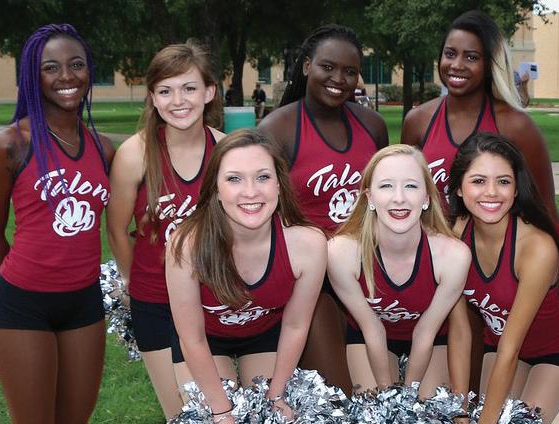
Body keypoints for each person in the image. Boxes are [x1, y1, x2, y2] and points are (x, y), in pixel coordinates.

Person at [0, 24, 114, 422]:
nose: (66, 76)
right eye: (51, 68)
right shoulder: (9, 144)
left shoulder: (104, 148)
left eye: (77, 65)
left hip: (84, 303)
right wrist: (26, 284)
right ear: (32, 77)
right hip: (22, 304)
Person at [258, 24, 388, 394]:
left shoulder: (373, 126)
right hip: (312, 279)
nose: (338, 79)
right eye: (327, 67)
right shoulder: (277, 129)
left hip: (367, 270)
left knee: (377, 392)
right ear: (306, 66)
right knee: (337, 394)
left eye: (350, 71)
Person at [166, 129, 327, 423]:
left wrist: (277, 396)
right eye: (234, 179)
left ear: (279, 184)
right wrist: (220, 411)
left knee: (267, 416)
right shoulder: (187, 244)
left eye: (263, 177)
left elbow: (295, 325)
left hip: (264, 336)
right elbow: (192, 337)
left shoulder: (308, 244)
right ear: (215, 189)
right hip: (205, 341)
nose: (251, 192)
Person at [106, 41, 223, 419]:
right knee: (179, 413)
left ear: (209, 92)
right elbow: (116, 227)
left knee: (216, 407)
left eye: (189, 88)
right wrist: (130, 280)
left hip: (214, 299)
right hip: (155, 301)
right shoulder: (135, 154)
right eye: (165, 90)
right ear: (153, 98)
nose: (178, 101)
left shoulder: (226, 151)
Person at [328, 144, 471, 401]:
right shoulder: (341, 252)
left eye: (411, 186)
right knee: (372, 410)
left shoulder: (453, 256)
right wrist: (386, 394)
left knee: (428, 411)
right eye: (386, 186)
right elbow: (372, 328)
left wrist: (409, 397)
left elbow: (425, 332)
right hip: (369, 337)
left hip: (429, 339)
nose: (399, 198)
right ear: (369, 198)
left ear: (426, 198)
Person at [401, 10, 558, 224]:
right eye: (450, 54)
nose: (456, 65)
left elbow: (546, 210)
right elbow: (404, 197)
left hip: (497, 245)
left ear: (489, 65)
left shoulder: (516, 126)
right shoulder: (417, 121)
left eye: (471, 57)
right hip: (432, 244)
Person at [448, 133, 559, 424]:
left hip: (553, 354)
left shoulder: (536, 248)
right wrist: (460, 412)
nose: (491, 192)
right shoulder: (455, 236)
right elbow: (459, 331)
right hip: (497, 347)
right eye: (478, 181)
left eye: (503, 181)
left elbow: (511, 348)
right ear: (459, 188)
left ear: (516, 188)